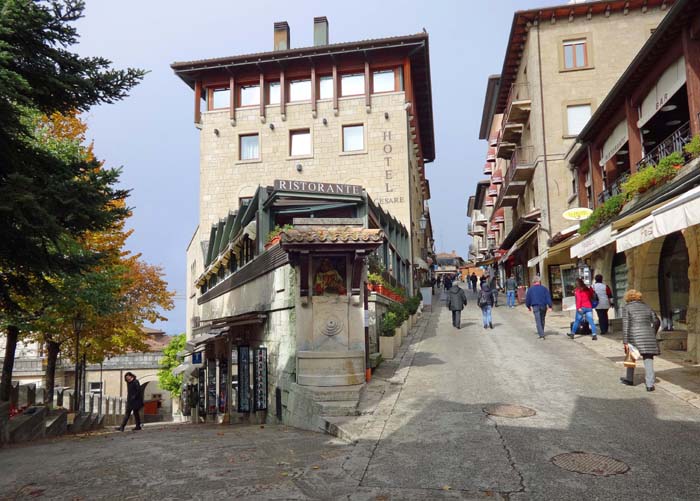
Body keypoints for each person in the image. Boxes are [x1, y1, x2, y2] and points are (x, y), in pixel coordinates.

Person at [620, 289, 661, 391]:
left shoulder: (627, 308)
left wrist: (625, 341)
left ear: (628, 298)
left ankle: (629, 379)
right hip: (648, 335)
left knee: (631, 356)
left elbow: (626, 325)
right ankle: (650, 385)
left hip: (633, 335)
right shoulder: (647, 307)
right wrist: (652, 332)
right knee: (648, 359)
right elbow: (657, 321)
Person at [525, 275, 553, 340]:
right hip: (543, 306)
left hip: (535, 306)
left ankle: (541, 335)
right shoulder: (544, 289)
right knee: (542, 319)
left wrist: (528, 306)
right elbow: (548, 298)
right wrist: (550, 306)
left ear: (533, 282)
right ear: (539, 281)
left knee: (538, 321)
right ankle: (541, 332)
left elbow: (528, 299)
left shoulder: (530, 289)